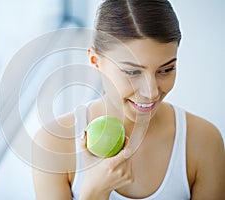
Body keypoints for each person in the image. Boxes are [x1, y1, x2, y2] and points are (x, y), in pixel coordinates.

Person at [32, 0, 225, 199]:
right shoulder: (52, 144)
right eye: (132, 72)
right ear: (95, 61)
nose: (151, 92)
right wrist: (95, 191)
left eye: (166, 70)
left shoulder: (203, 142)